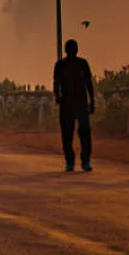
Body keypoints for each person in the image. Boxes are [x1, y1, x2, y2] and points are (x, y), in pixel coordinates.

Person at [53, 39, 96, 172]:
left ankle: (83, 160)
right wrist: (58, 96)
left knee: (82, 133)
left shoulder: (82, 63)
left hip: (79, 103)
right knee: (69, 134)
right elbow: (56, 83)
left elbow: (89, 83)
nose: (72, 51)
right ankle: (72, 161)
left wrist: (92, 99)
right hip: (69, 103)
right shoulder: (61, 65)